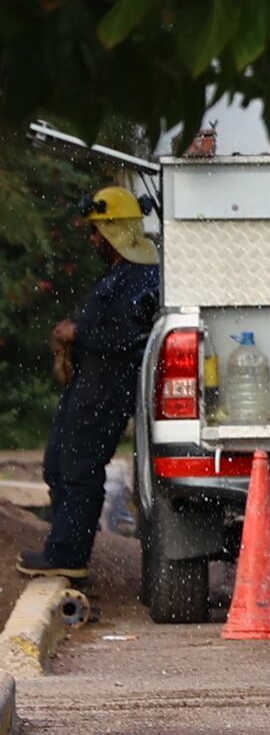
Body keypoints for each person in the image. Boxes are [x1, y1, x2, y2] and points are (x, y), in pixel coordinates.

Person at [19, 186, 161, 578]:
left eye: (98, 231)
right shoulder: (122, 275)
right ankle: (62, 547)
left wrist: (76, 334)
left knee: (80, 468)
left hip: (107, 388)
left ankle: (67, 556)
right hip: (89, 387)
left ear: (116, 231)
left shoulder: (140, 277)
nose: (93, 238)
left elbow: (125, 338)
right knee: (57, 466)